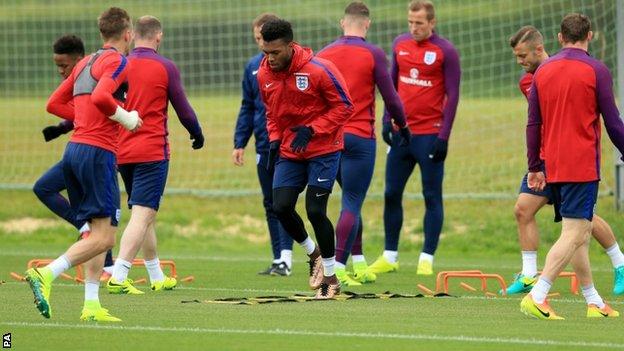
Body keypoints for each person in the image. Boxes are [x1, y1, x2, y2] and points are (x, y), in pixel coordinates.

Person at [26, 7, 142, 322]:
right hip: (97, 153)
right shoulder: (119, 61)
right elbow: (104, 98)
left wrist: (85, 120)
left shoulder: (86, 62)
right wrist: (127, 118)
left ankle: (91, 306)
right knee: (105, 238)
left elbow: (54, 103)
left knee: (93, 231)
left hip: (74, 150)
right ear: (128, 34)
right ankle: (46, 274)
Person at [505, 25, 624, 295]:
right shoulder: (528, 81)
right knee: (524, 210)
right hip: (545, 158)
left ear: (540, 48)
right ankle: (529, 276)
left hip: (569, 157)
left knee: (581, 222)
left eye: (523, 55)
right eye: (516, 57)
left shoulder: (569, 71)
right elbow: (534, 123)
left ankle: (616, 267)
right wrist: (535, 163)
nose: (520, 61)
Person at [106, 15, 204, 294]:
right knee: (142, 214)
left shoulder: (119, 65)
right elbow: (183, 108)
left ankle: (156, 275)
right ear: (158, 36)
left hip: (122, 150)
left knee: (144, 212)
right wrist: (197, 133)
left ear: (133, 35)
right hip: (152, 151)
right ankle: (119, 273)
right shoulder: (165, 67)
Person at [257, 19, 354, 298]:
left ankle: (331, 279)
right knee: (281, 206)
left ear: (290, 45)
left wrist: (313, 129)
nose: (270, 58)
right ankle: (314, 254)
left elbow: (345, 106)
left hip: (324, 149)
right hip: (290, 150)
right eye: (266, 52)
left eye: (275, 52)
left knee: (315, 210)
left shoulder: (319, 70)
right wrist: (274, 139)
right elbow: (271, 113)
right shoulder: (263, 74)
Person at [316, 1, 410, 286]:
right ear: (367, 24)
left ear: (342, 22)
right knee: (352, 202)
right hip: (359, 137)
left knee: (348, 201)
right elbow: (391, 97)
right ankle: (339, 268)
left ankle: (358, 263)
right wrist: (402, 125)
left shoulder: (324, 54)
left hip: (329, 138)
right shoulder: (373, 53)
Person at [369, 0, 460, 276]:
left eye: (419, 23)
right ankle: (390, 255)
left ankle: (426, 258)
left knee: (431, 195)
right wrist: (386, 120)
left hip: (430, 135)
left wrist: (444, 136)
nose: (414, 27)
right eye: (410, 22)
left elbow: (453, 96)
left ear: (432, 23)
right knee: (391, 193)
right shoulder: (400, 45)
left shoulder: (446, 51)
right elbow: (390, 86)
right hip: (402, 135)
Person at [35, 34, 115, 280]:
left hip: (104, 151)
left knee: (107, 216)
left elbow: (100, 110)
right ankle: (85, 231)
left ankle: (111, 269)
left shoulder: (99, 74)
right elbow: (82, 113)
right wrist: (62, 128)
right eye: (57, 66)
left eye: (64, 65)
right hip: (83, 149)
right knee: (44, 187)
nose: (60, 71)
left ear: (79, 61)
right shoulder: (81, 79)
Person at [232, 13, 294, 276]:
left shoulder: (289, 66)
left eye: (265, 39)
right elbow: (248, 107)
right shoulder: (252, 68)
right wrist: (240, 142)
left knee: (284, 202)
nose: (261, 44)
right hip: (262, 145)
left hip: (287, 145)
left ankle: (288, 258)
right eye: (258, 39)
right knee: (270, 202)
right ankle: (278, 257)